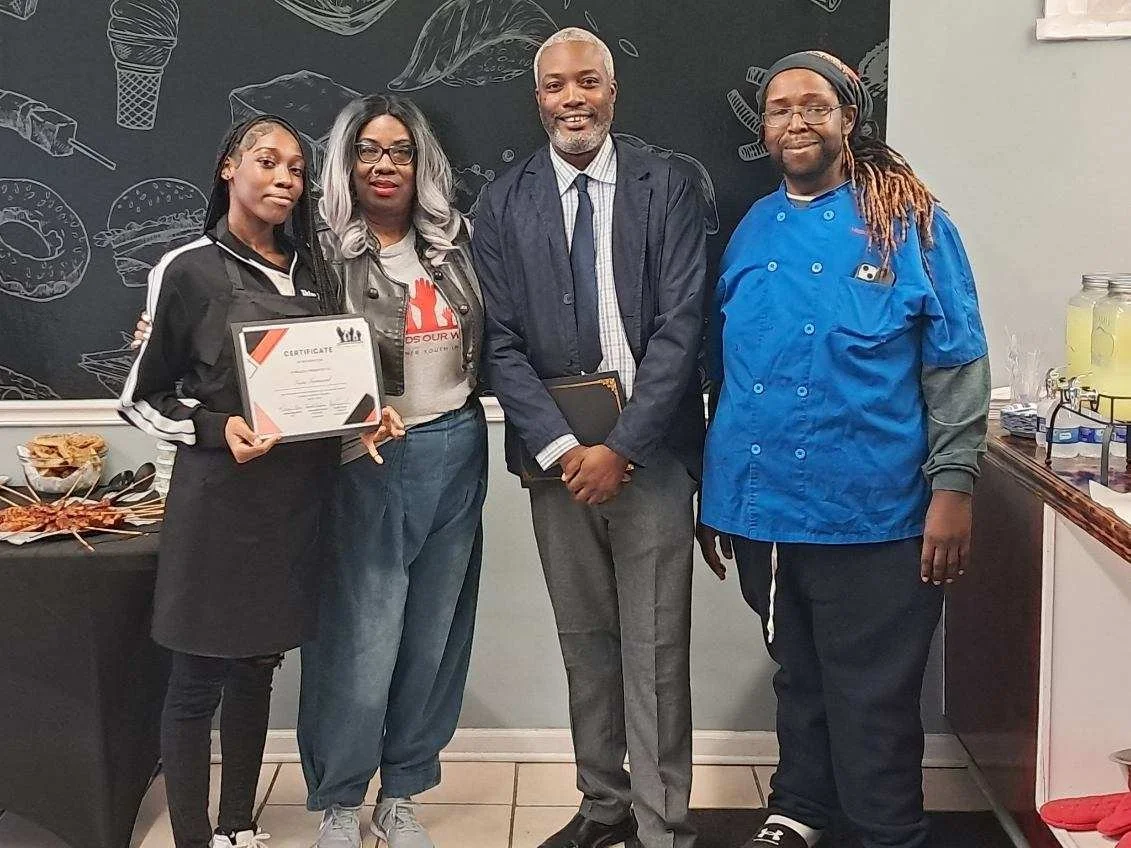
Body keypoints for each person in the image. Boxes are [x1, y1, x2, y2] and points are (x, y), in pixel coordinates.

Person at [697, 51, 990, 848]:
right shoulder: (752, 227)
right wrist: (716, 495)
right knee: (799, 679)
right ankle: (798, 810)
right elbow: (727, 369)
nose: (795, 120)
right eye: (778, 108)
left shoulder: (913, 223)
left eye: (812, 106)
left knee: (873, 693)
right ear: (763, 130)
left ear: (846, 120)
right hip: (764, 512)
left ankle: (885, 830)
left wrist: (952, 488)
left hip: (878, 509)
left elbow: (956, 362)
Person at [117, 115, 400, 848]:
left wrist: (365, 419)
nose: (283, 179)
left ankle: (238, 829)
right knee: (195, 680)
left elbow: (330, 381)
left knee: (257, 667)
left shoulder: (317, 270)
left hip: (295, 506)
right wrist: (217, 430)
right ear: (228, 169)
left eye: (296, 169)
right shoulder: (187, 269)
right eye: (266, 162)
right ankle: (191, 836)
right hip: (219, 506)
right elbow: (141, 397)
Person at [472, 27, 707, 848]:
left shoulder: (666, 186)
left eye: (587, 83)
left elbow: (681, 329)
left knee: (655, 652)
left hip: (649, 458)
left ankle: (662, 826)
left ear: (612, 91)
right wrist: (565, 451)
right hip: (556, 468)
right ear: (536, 98)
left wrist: (624, 447)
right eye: (554, 86)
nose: (571, 99)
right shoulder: (502, 201)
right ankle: (604, 806)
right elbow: (495, 341)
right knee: (585, 646)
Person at [297, 94, 489, 848]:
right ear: (346, 163)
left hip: (456, 446)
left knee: (434, 639)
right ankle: (341, 801)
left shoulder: (454, 244)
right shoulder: (318, 248)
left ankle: (401, 795)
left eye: (400, 151)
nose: (385, 165)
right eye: (368, 151)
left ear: (422, 164)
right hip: (365, 460)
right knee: (358, 640)